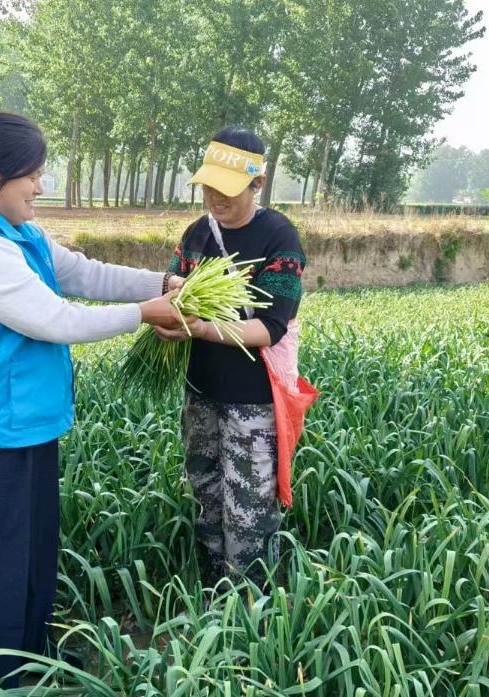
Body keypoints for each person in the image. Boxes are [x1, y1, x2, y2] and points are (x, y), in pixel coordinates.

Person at [0, 111, 184, 690]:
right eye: (33, 175)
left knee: (31, 554)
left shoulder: (22, 235)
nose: (40, 187)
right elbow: (55, 319)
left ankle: (26, 662)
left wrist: (161, 285)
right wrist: (146, 314)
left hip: (27, 426)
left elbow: (86, 275)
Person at [157, 127, 307, 587]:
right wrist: (170, 302)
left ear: (257, 183)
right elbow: (170, 285)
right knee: (207, 499)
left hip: (252, 402)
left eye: (227, 187)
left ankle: (251, 610)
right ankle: (213, 596)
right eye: (208, 186)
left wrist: (202, 327)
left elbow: (269, 327)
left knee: (248, 513)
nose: (215, 197)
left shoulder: (278, 237)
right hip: (200, 393)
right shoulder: (197, 233)